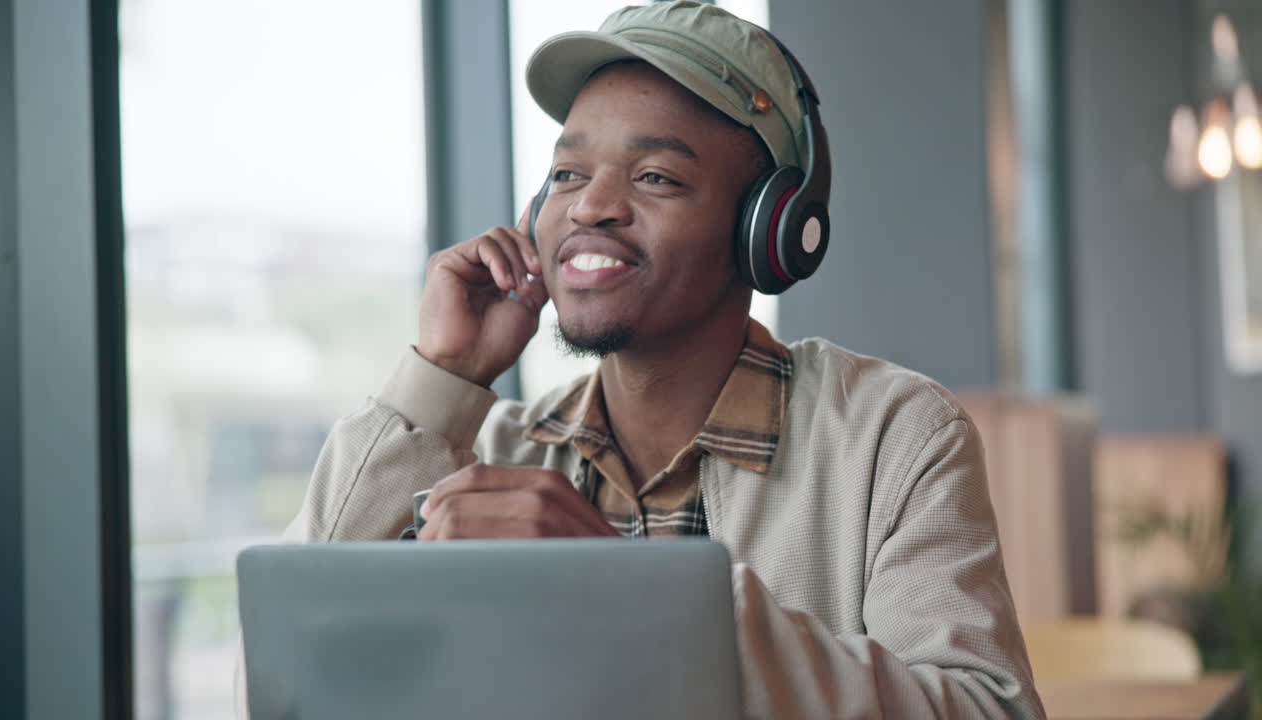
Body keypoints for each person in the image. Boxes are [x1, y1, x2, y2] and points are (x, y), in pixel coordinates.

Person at [262, 2, 1044, 717]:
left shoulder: (894, 437)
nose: (590, 205)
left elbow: (985, 709)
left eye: (655, 177)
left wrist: (636, 596)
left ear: (768, 230)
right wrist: (441, 380)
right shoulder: (493, 450)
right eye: (566, 175)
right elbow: (287, 680)